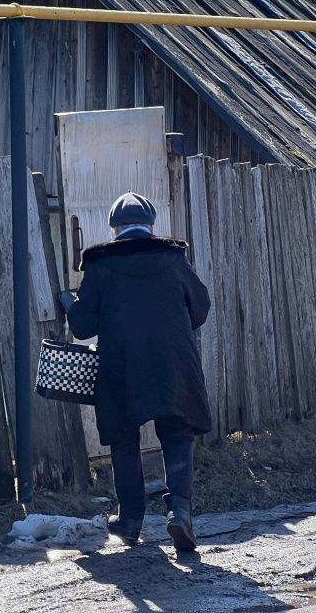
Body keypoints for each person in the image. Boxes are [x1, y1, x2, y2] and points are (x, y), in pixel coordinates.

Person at [59, 192, 212, 552]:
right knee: (176, 433)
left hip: (121, 365)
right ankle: (180, 513)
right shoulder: (173, 258)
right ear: (151, 226)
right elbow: (201, 309)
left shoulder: (99, 263)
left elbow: (82, 326)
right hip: (173, 361)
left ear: (115, 229)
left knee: (124, 438)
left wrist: (69, 302)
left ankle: (129, 521)